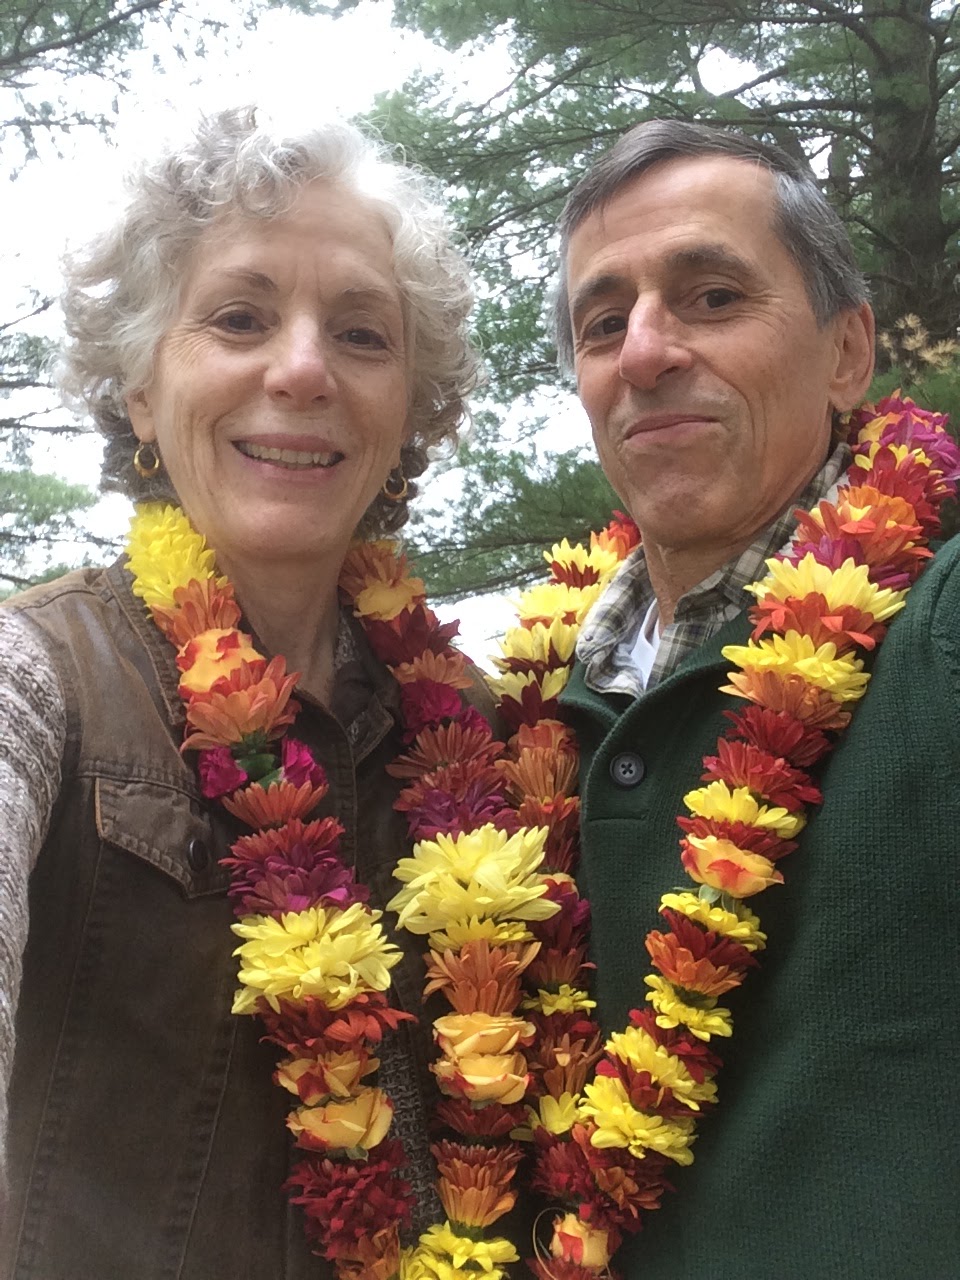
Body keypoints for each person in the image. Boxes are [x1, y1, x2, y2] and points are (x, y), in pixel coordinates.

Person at [0, 108, 488, 1277]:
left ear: (409, 412)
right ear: (139, 388)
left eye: (362, 333)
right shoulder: (39, 676)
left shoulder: (481, 737)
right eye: (239, 317)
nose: (304, 368)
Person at [555, 120, 960, 1274]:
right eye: (602, 322)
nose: (644, 351)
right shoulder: (515, 724)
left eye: (714, 296)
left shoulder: (936, 631)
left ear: (847, 352)